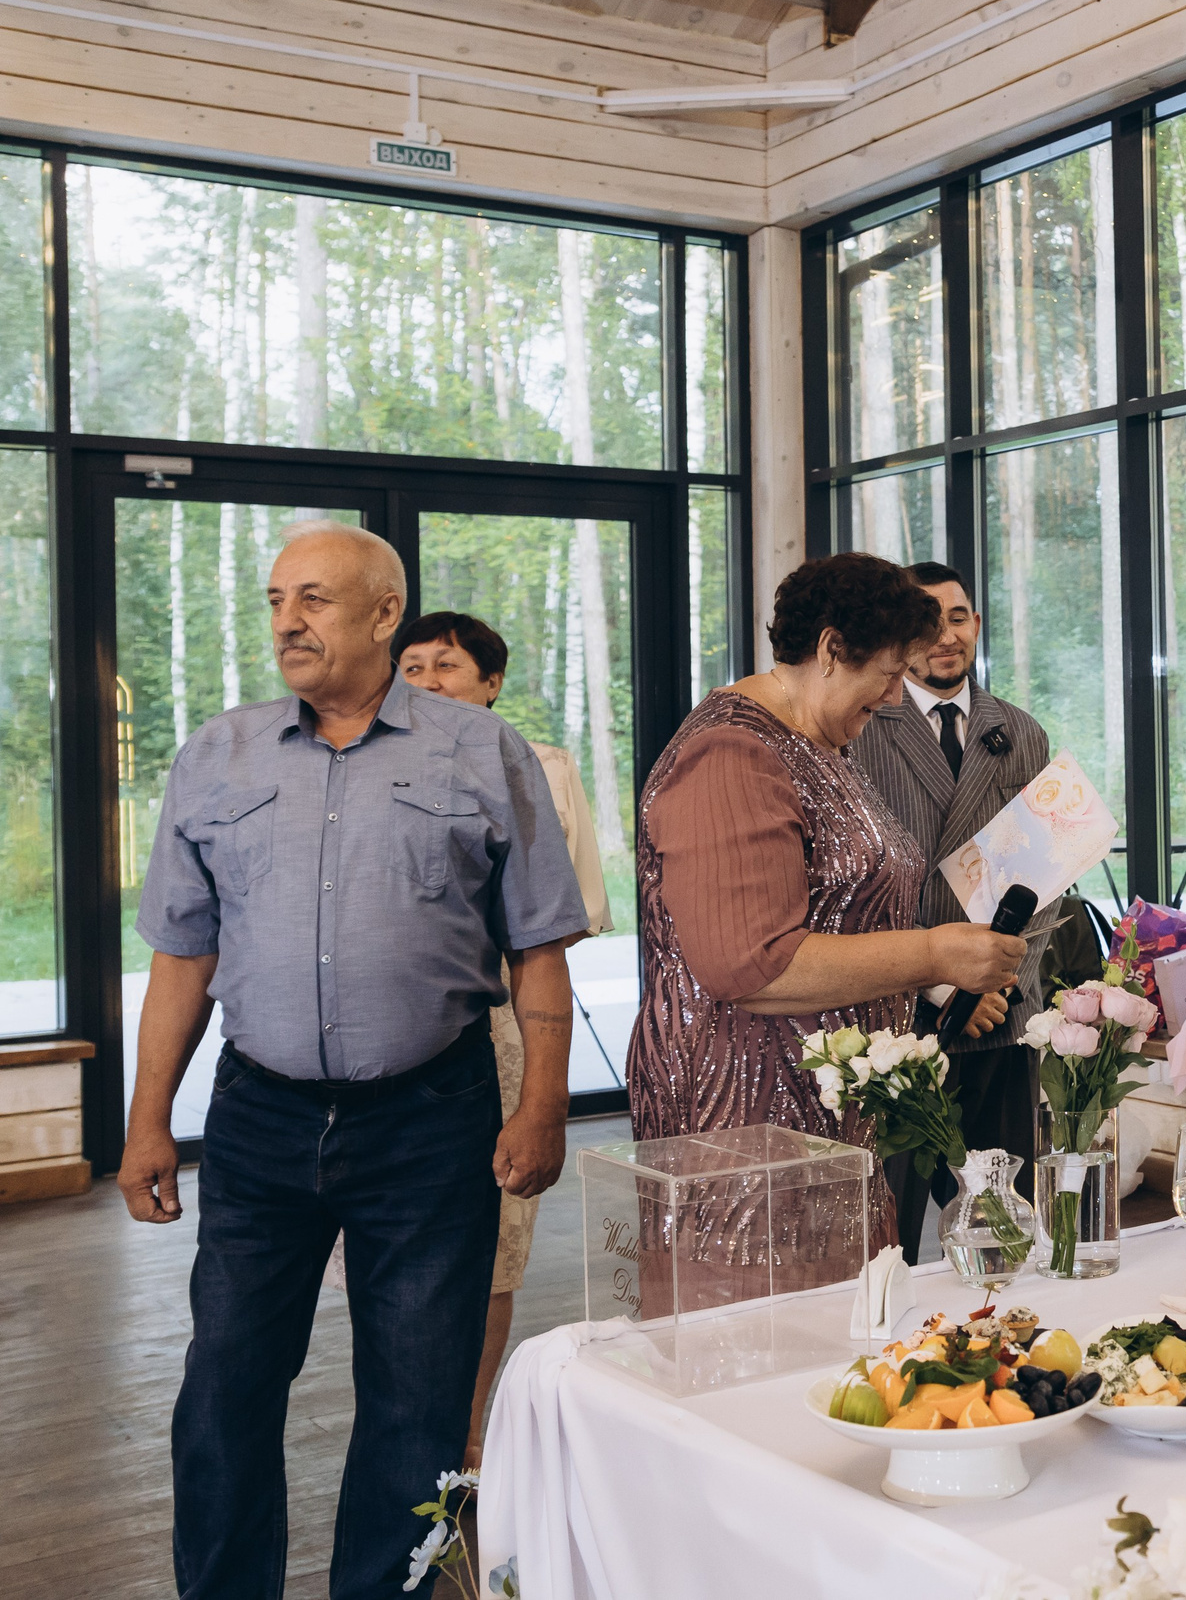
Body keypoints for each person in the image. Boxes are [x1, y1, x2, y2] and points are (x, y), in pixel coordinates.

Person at [118, 521, 587, 1600]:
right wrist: (147, 1121)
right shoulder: (217, 754)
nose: (288, 621)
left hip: (431, 1116)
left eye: (315, 599)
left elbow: (538, 949)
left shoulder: (485, 752)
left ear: (386, 613)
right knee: (224, 1387)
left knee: (418, 1401)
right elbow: (182, 958)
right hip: (259, 1118)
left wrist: (544, 1104)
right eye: (277, 600)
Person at [624, 553, 1027, 1255]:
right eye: (890, 673)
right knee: (769, 1315)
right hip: (746, 1113)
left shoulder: (820, 740)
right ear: (832, 649)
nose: (896, 697)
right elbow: (752, 964)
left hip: (827, 1110)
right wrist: (933, 954)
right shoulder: (731, 754)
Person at [391, 610, 613, 1465]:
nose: (426, 679)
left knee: (492, 1244)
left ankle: (468, 1435)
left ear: (491, 683)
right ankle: (407, 1430)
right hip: (397, 1028)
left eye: (446, 665)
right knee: (397, 1244)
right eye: (412, 664)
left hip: (504, 1017)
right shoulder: (368, 761)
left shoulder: (541, 766)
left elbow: (577, 907)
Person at [851, 561, 1054, 1255]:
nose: (946, 635)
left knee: (1004, 1227)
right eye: (928, 620)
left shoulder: (1020, 731)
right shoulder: (861, 728)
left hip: (1000, 1017)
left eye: (959, 616)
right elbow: (859, 887)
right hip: (903, 1021)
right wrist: (941, 982)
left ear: (977, 624)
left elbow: (1044, 876)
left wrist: (996, 980)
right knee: (890, 1234)